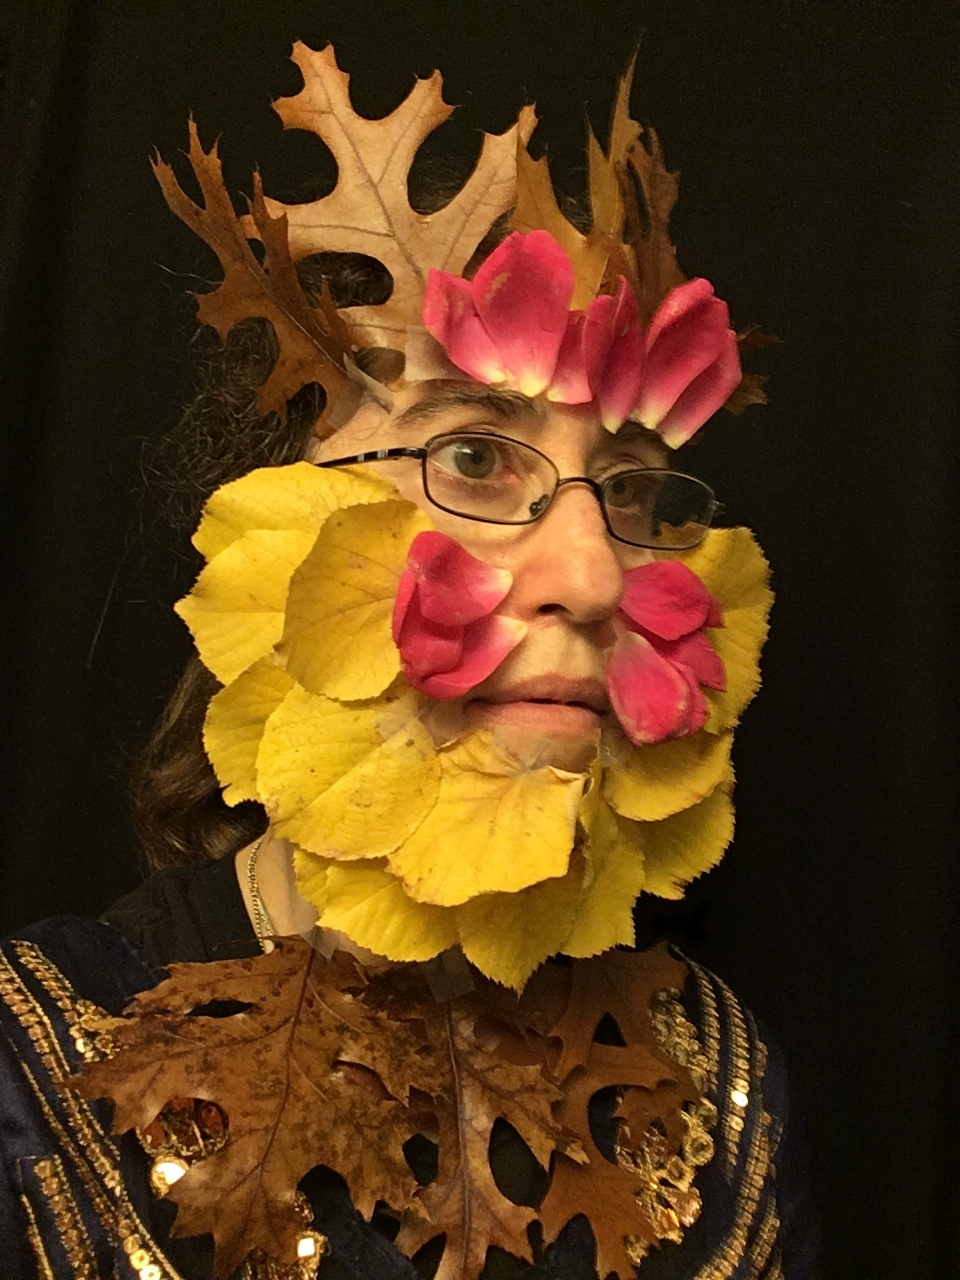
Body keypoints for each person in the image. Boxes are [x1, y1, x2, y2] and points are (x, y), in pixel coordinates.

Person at [0, 42, 818, 1279]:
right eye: (478, 457)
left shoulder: (719, 1081)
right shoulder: (42, 1068)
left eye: (637, 487)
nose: (595, 579)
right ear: (272, 504)